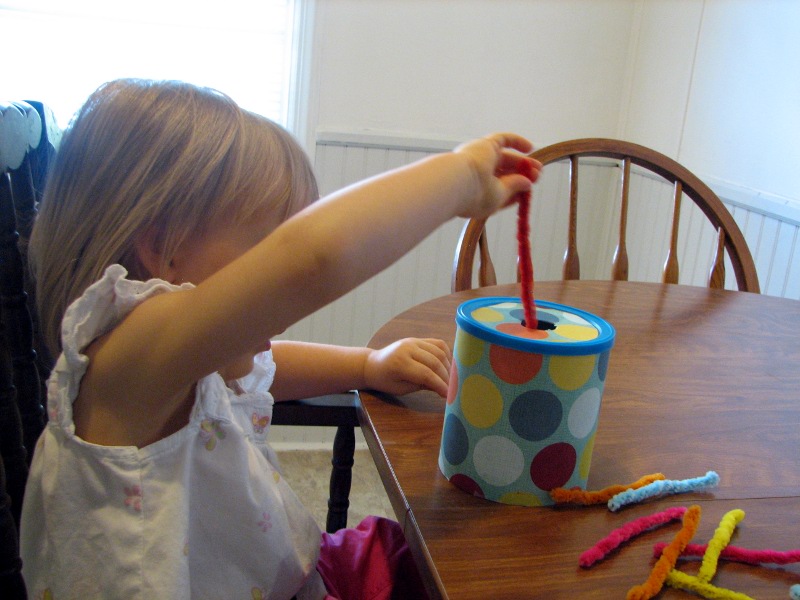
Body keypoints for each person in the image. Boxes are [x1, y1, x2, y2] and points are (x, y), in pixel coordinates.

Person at [20, 79, 541, 599]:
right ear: (164, 248)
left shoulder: (188, 366)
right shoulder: (125, 368)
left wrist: (367, 364)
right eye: (264, 249)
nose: (270, 287)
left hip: (282, 576)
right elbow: (313, 259)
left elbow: (270, 367)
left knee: (424, 557)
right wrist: (462, 175)